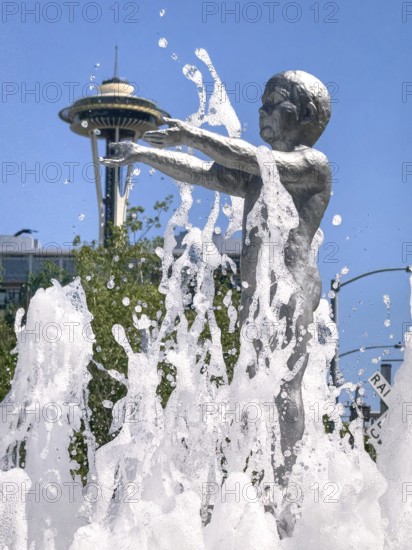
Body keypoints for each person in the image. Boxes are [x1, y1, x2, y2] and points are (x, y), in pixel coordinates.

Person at [102, 70, 331, 492]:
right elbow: (205, 173)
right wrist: (144, 155)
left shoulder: (311, 165)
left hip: (291, 291)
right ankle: (252, 479)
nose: (262, 111)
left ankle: (286, 487)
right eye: (261, 102)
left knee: (284, 387)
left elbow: (247, 157)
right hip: (256, 295)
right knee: (248, 387)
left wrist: (190, 133)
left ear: (303, 116)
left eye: (273, 104)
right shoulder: (260, 173)